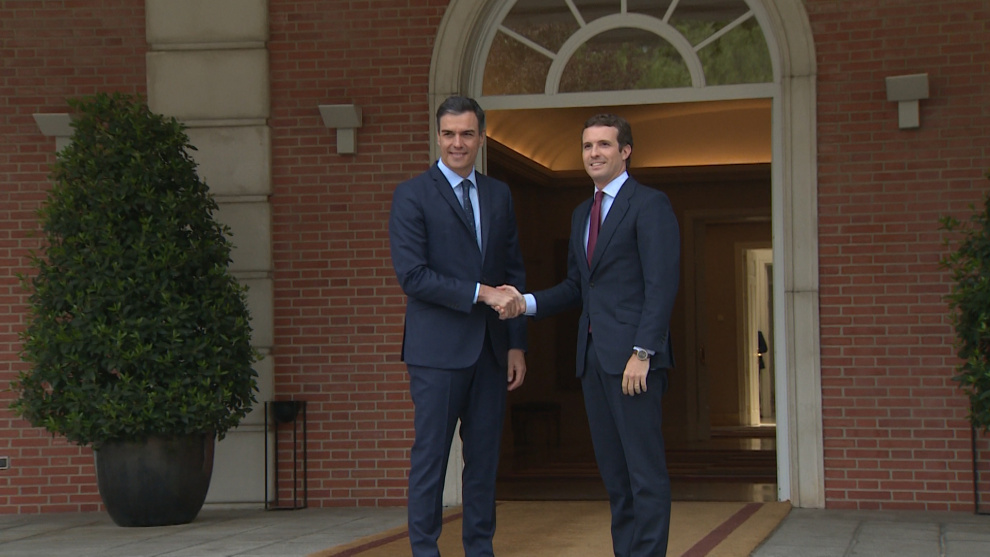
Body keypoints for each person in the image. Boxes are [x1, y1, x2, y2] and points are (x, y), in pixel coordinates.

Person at [497, 113, 679, 557]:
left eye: (604, 144)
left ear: (625, 151)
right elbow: (577, 287)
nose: (594, 153)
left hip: (635, 362)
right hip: (594, 359)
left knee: (644, 474)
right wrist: (525, 302)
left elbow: (661, 284)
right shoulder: (582, 213)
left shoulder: (649, 204)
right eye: (587, 146)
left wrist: (643, 351)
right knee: (616, 477)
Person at [388, 95, 527, 557]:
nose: (457, 143)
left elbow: (513, 270)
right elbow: (413, 276)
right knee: (430, 459)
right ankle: (425, 551)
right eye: (448, 134)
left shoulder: (498, 194)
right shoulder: (412, 195)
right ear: (438, 136)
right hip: (436, 352)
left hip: (491, 350)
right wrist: (482, 293)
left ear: (481, 137)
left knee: (483, 463)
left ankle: (479, 550)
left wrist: (516, 344)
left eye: (467, 134)